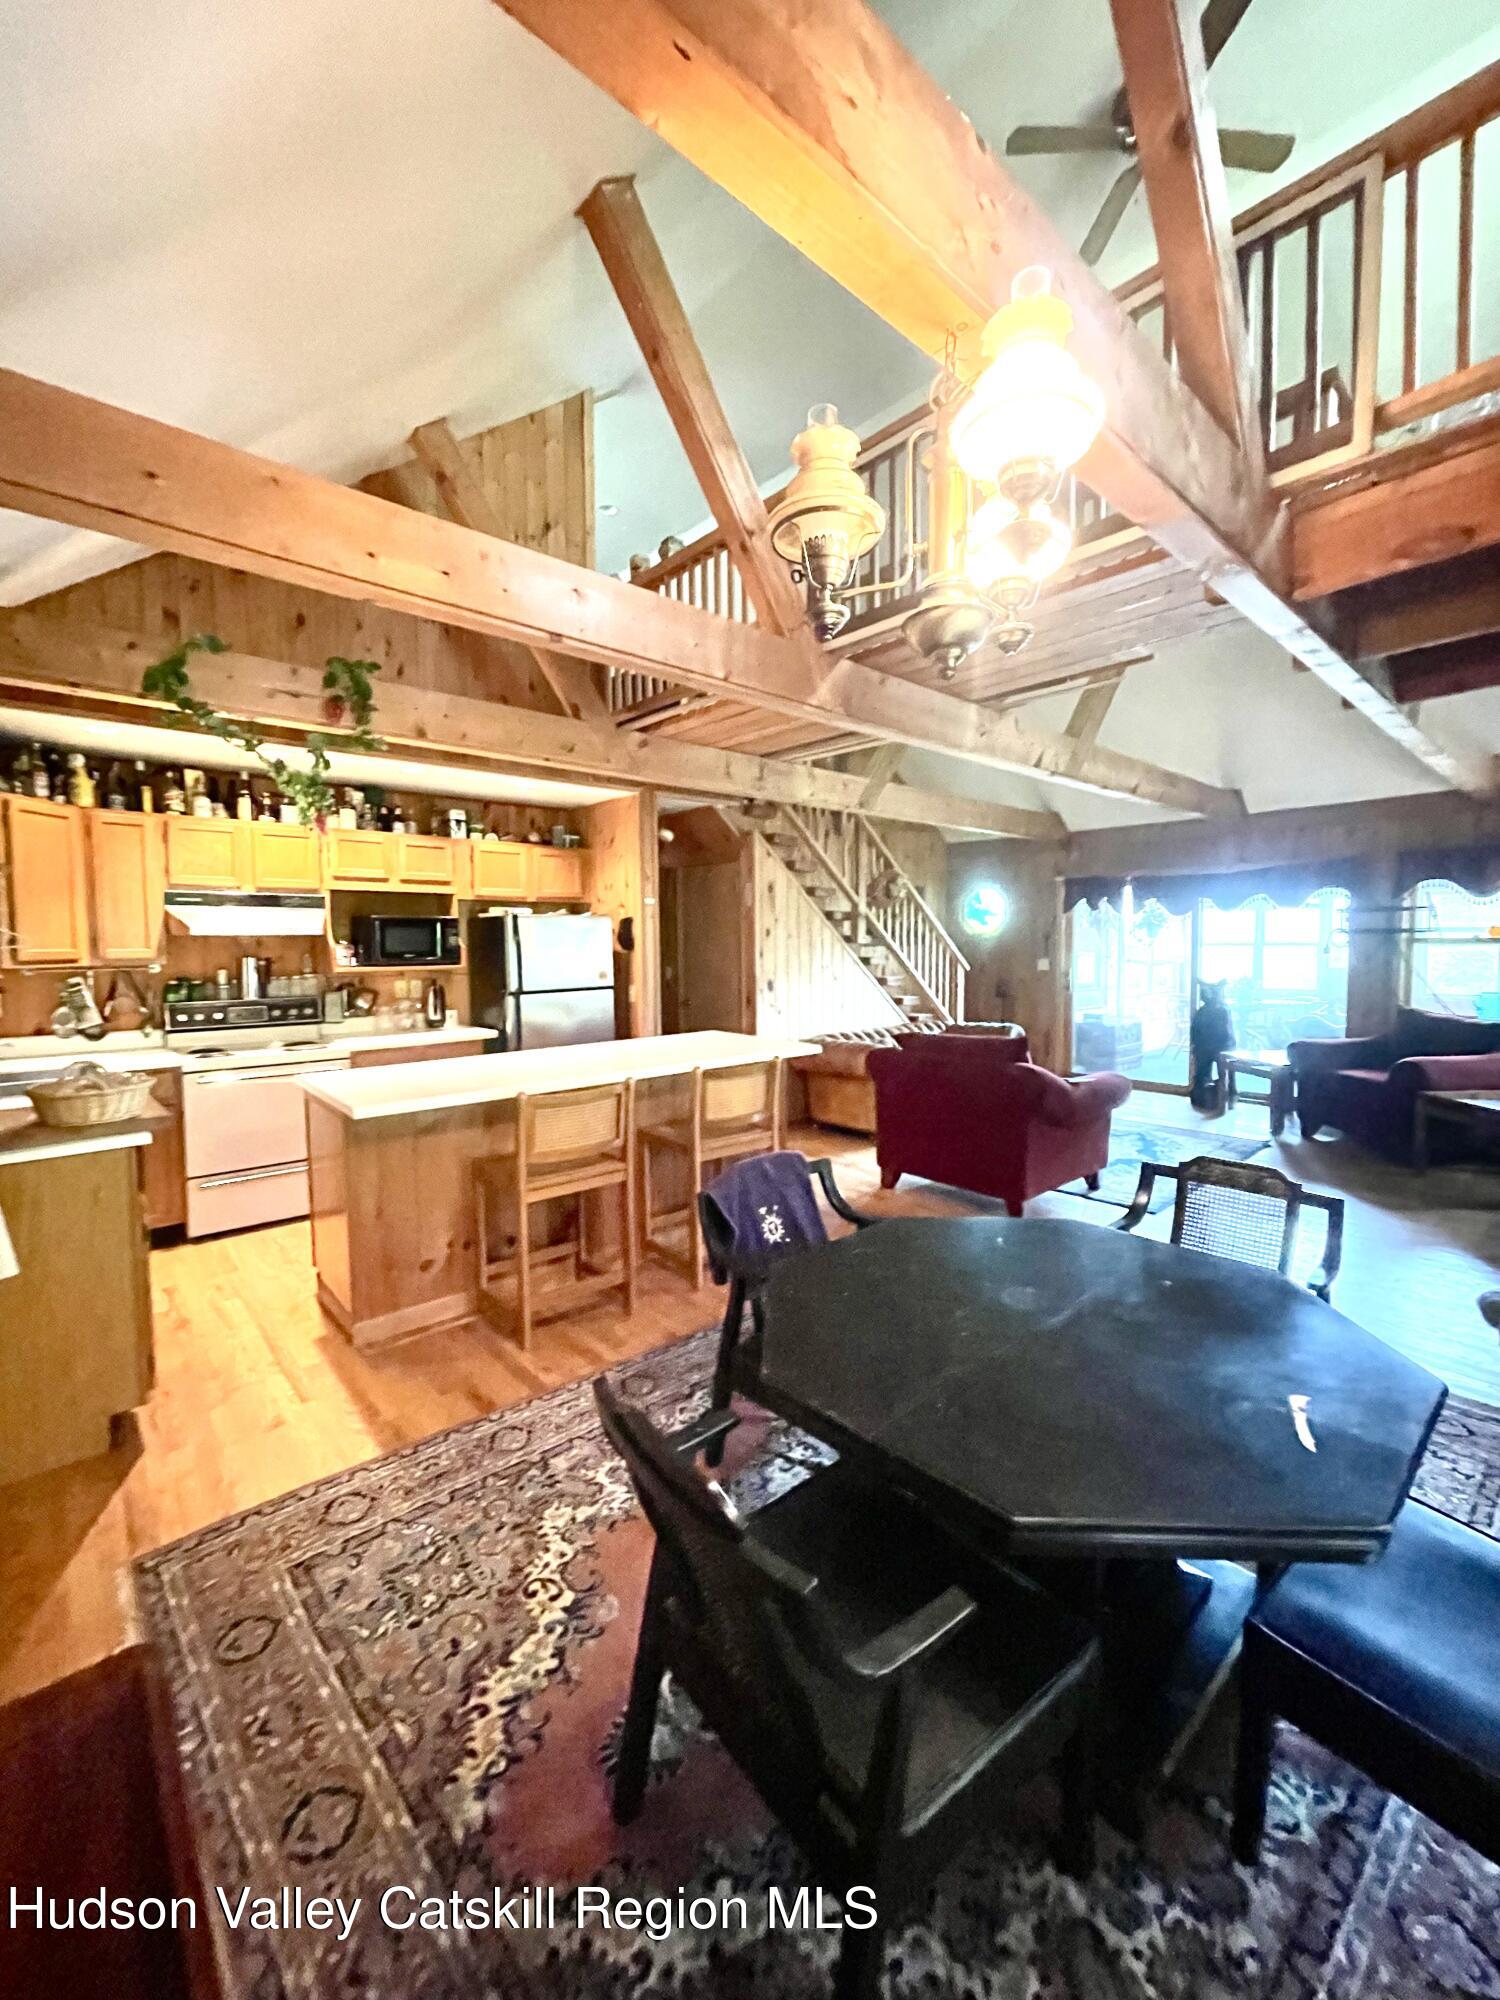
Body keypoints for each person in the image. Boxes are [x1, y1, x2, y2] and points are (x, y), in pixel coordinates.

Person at [1189, 978, 1235, 1112]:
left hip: (1208, 1048)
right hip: (1219, 1047)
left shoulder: (1205, 1011)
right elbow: (1228, 1033)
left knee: (1203, 1072)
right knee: (1220, 1073)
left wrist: (1195, 1047)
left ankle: (1202, 1099)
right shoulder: (1222, 1010)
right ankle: (1226, 1096)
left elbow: (1195, 1031)